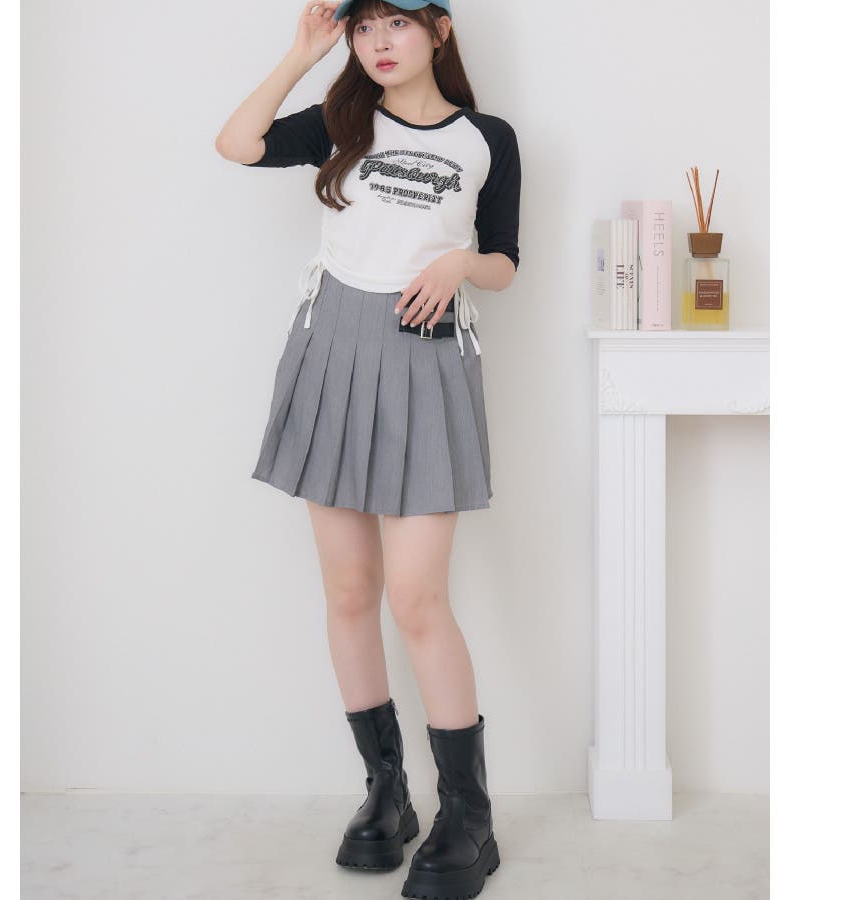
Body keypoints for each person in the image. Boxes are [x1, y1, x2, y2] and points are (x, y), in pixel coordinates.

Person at [215, 1, 520, 897]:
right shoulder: (341, 120)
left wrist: (460, 264)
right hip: (333, 350)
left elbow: (505, 258)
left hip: (426, 358)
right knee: (350, 591)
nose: (379, 43)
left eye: (398, 24)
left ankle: (469, 818)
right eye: (363, 28)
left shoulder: (487, 139)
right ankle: (386, 792)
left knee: (418, 598)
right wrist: (301, 54)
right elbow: (236, 144)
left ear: (440, 31)